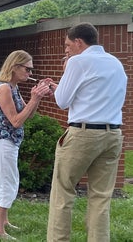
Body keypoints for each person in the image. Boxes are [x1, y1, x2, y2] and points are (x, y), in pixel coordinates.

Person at [46, 22, 126, 242]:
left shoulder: (77, 62)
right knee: (101, 198)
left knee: (63, 192)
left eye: (68, 45)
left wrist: (64, 73)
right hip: (112, 134)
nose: (66, 50)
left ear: (79, 42)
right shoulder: (116, 63)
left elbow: (62, 101)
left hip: (83, 133)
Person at [0, 50, 52, 240]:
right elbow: (16, 121)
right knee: (8, 183)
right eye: (27, 69)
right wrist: (35, 99)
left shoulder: (13, 87)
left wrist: (37, 97)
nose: (30, 73)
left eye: (31, 70)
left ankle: (4, 222)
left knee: (9, 180)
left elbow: (29, 115)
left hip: (7, 141)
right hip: (0, 141)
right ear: (14, 66)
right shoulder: (3, 88)